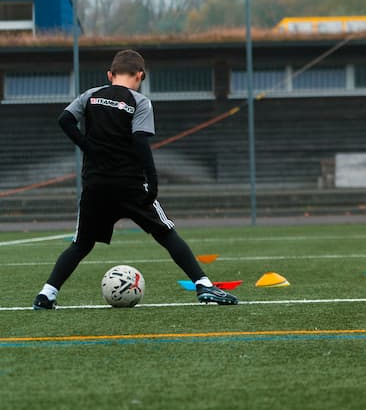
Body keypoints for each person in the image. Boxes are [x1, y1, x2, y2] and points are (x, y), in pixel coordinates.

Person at [33, 49, 238, 309]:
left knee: (81, 244)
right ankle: (204, 286)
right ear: (140, 75)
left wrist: (86, 145)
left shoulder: (91, 95)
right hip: (130, 184)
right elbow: (140, 141)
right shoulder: (140, 101)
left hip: (95, 184)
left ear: (110, 75)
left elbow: (65, 120)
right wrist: (152, 179)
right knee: (165, 232)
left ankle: (46, 294)